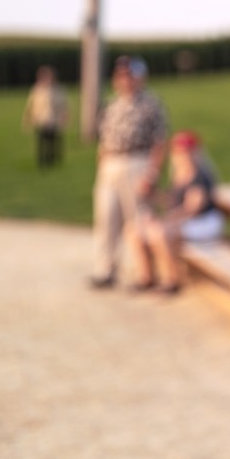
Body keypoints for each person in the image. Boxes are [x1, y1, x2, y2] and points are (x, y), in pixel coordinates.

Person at [89, 56, 168, 290]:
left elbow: (159, 141)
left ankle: (142, 272)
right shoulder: (111, 105)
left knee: (138, 220)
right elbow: (103, 140)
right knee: (106, 218)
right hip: (110, 164)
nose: (124, 79)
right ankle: (106, 268)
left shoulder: (150, 104)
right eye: (121, 75)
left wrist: (152, 173)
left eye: (129, 75)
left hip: (137, 161)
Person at [133, 130, 224, 295]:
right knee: (135, 229)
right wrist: (153, 198)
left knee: (160, 232)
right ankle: (147, 277)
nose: (182, 155)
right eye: (178, 152)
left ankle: (172, 280)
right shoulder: (179, 174)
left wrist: (166, 220)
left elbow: (193, 209)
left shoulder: (200, 175)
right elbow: (172, 202)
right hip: (188, 221)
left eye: (185, 152)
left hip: (204, 222)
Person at [21, 64, 69, 167]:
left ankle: (53, 161)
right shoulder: (36, 90)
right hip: (40, 120)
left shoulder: (58, 90)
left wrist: (64, 118)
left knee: (53, 142)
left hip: (54, 120)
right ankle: (42, 163)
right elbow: (30, 105)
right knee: (41, 143)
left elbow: (64, 106)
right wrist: (27, 119)